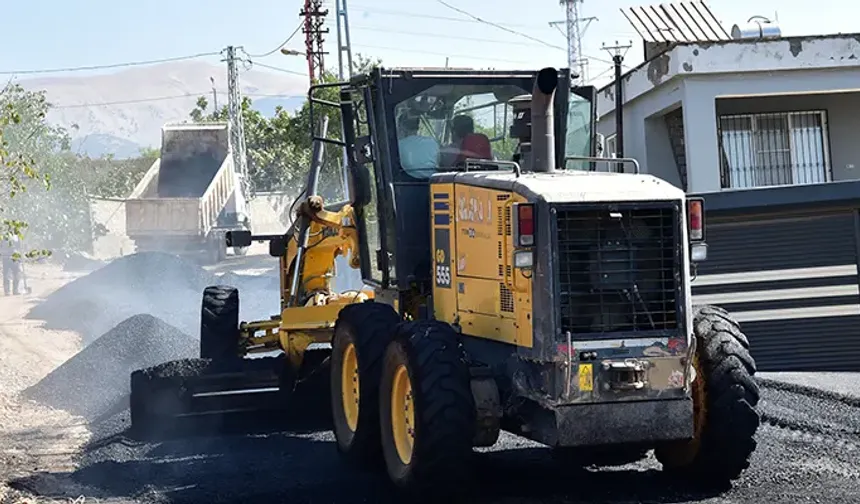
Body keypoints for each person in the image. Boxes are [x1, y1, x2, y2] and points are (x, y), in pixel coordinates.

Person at [397, 113, 440, 178]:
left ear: (402, 127)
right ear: (418, 126)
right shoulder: (432, 142)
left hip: (407, 184)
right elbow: (439, 162)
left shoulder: (399, 145)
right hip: (432, 183)